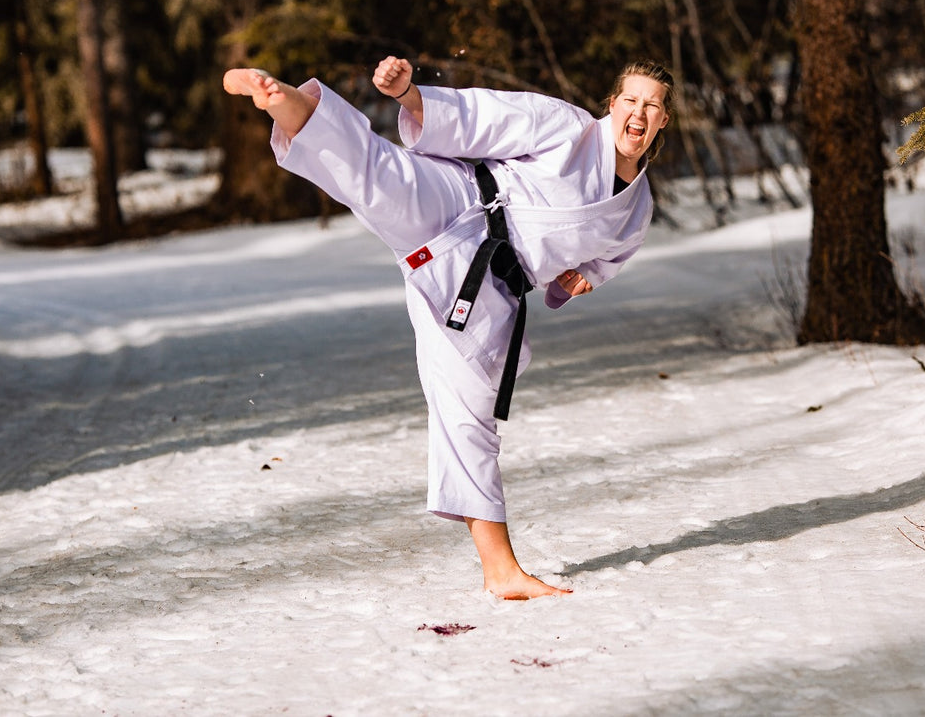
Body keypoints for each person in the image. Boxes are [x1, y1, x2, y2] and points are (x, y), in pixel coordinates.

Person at [223, 55, 673, 599]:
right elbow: (487, 115)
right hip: (461, 202)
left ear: (664, 120)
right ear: (612, 105)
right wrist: (412, 97)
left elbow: (602, 263)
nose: (639, 113)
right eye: (631, 100)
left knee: (469, 414)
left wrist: (583, 279)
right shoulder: (568, 126)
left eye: (652, 105)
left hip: (491, 287)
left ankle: (501, 572)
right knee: (376, 172)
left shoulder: (637, 210)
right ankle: (281, 97)